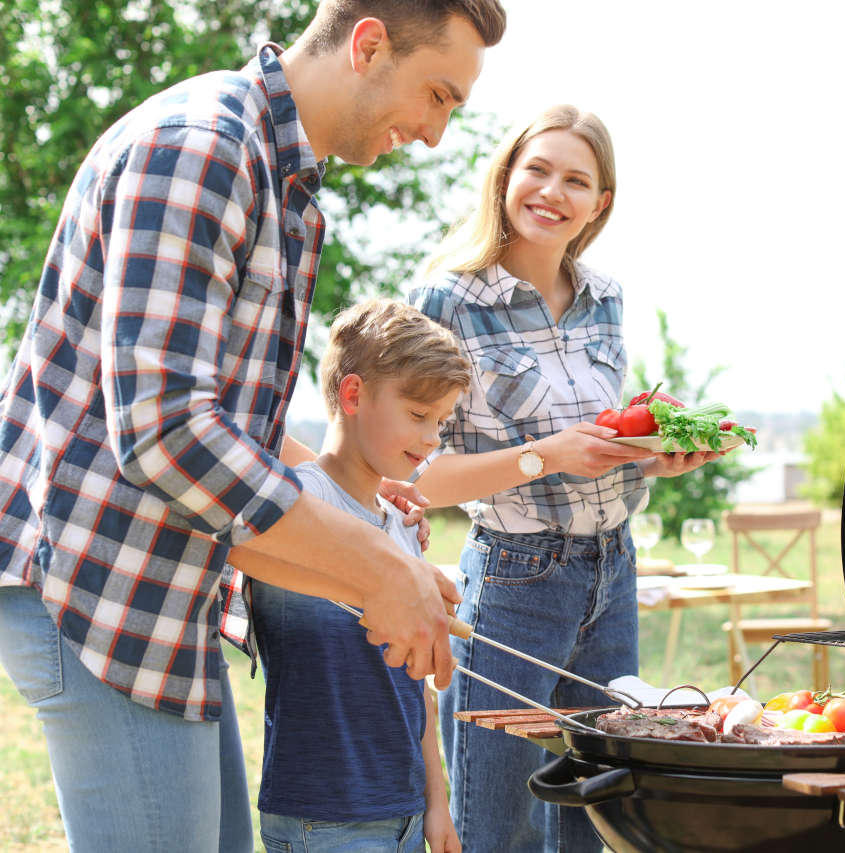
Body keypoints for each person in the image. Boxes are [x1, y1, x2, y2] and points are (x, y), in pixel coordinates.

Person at [0, 2, 505, 850]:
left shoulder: (280, 179)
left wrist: (355, 500)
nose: (433, 135)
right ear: (368, 44)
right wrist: (375, 564)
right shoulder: (201, 148)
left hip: (164, 593)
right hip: (99, 590)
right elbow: (164, 431)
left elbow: (230, 419)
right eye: (438, 95)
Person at [409, 104, 725, 853]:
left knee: (595, 807)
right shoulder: (447, 302)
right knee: (500, 823)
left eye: (576, 179)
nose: (552, 191)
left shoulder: (606, 298)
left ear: (600, 203)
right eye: (538, 170)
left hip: (612, 572)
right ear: (506, 179)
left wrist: (656, 457)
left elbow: (603, 443)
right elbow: (421, 478)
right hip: (516, 581)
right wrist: (546, 454)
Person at [229, 298, 468, 853]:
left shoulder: (402, 526)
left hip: (406, 811)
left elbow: (420, 690)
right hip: (323, 820)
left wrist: (437, 803)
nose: (433, 438)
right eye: (417, 415)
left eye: (442, 422)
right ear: (354, 394)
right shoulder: (295, 505)